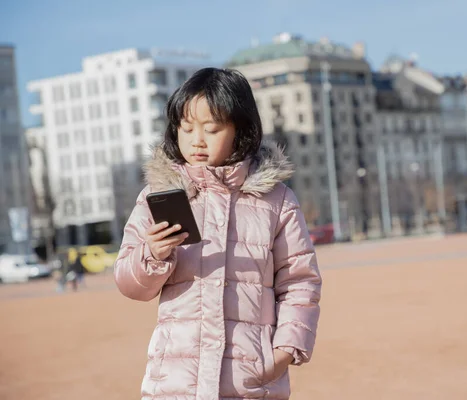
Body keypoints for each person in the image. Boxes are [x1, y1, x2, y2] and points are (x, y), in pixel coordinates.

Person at [114, 68, 322, 400]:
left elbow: (300, 281)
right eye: (186, 128)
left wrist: (284, 350)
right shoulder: (159, 194)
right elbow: (129, 283)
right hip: (175, 381)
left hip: (250, 381)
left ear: (241, 131)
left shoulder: (276, 200)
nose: (197, 140)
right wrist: (152, 254)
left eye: (211, 129)